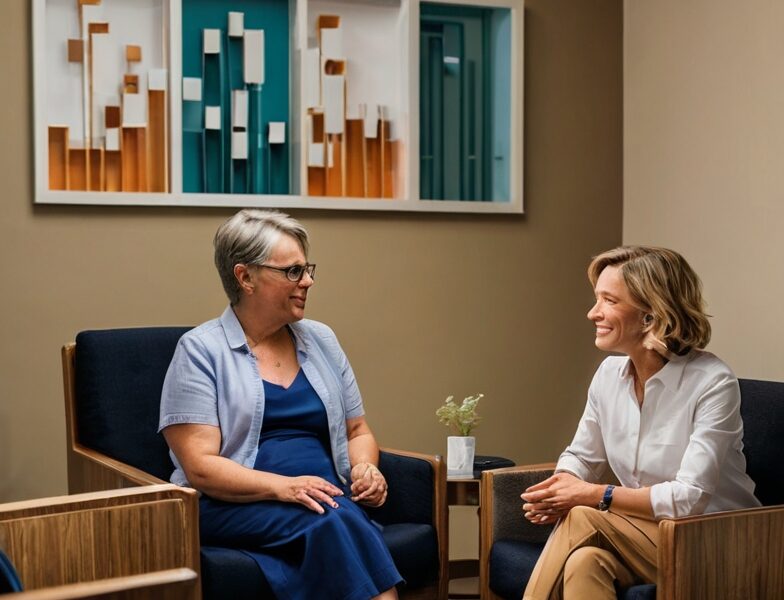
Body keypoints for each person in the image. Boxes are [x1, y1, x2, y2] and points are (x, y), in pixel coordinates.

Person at [158, 209, 402, 600]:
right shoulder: (200, 351)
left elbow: (358, 430)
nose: (307, 281)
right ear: (245, 277)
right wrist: (284, 488)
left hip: (323, 496)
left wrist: (365, 466)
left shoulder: (322, 339)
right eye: (292, 271)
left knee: (333, 515)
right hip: (233, 503)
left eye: (307, 270)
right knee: (334, 521)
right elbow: (201, 468)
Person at [521, 246, 761, 600]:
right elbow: (583, 456)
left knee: (583, 517)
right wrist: (563, 484)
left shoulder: (712, 382)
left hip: (719, 542)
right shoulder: (608, 375)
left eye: (608, 301)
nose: (592, 313)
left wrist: (592, 494)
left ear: (651, 317)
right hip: (644, 534)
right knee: (585, 561)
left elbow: (690, 498)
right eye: (596, 299)